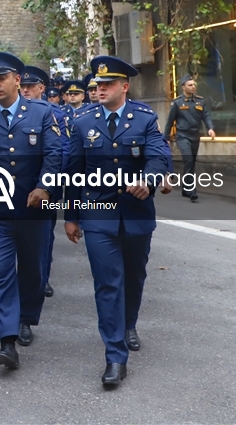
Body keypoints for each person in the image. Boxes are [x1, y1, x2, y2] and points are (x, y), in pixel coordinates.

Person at [63, 55, 171, 388]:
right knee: (107, 283)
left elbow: (159, 155)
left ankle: (128, 324)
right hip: (97, 215)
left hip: (136, 215)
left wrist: (149, 180)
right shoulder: (82, 122)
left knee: (134, 276)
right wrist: (71, 215)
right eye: (98, 84)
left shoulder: (144, 118)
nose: (101, 89)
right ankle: (114, 356)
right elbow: (72, 172)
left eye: (109, 84)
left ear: (124, 87)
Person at [0, 52, 64, 370]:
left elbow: (55, 153)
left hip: (35, 208)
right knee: (0, 272)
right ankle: (7, 340)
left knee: (33, 270)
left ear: (17, 80)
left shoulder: (43, 112)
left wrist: (45, 187)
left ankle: (27, 318)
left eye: (0, 79)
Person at [164, 75, 216, 202]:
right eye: (190, 85)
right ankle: (191, 190)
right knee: (188, 160)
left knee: (192, 162)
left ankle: (185, 188)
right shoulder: (177, 103)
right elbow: (169, 122)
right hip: (182, 136)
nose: (193, 87)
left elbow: (206, 116)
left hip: (195, 135)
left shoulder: (200, 101)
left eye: (194, 85)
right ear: (183, 87)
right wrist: (166, 139)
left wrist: (210, 128)